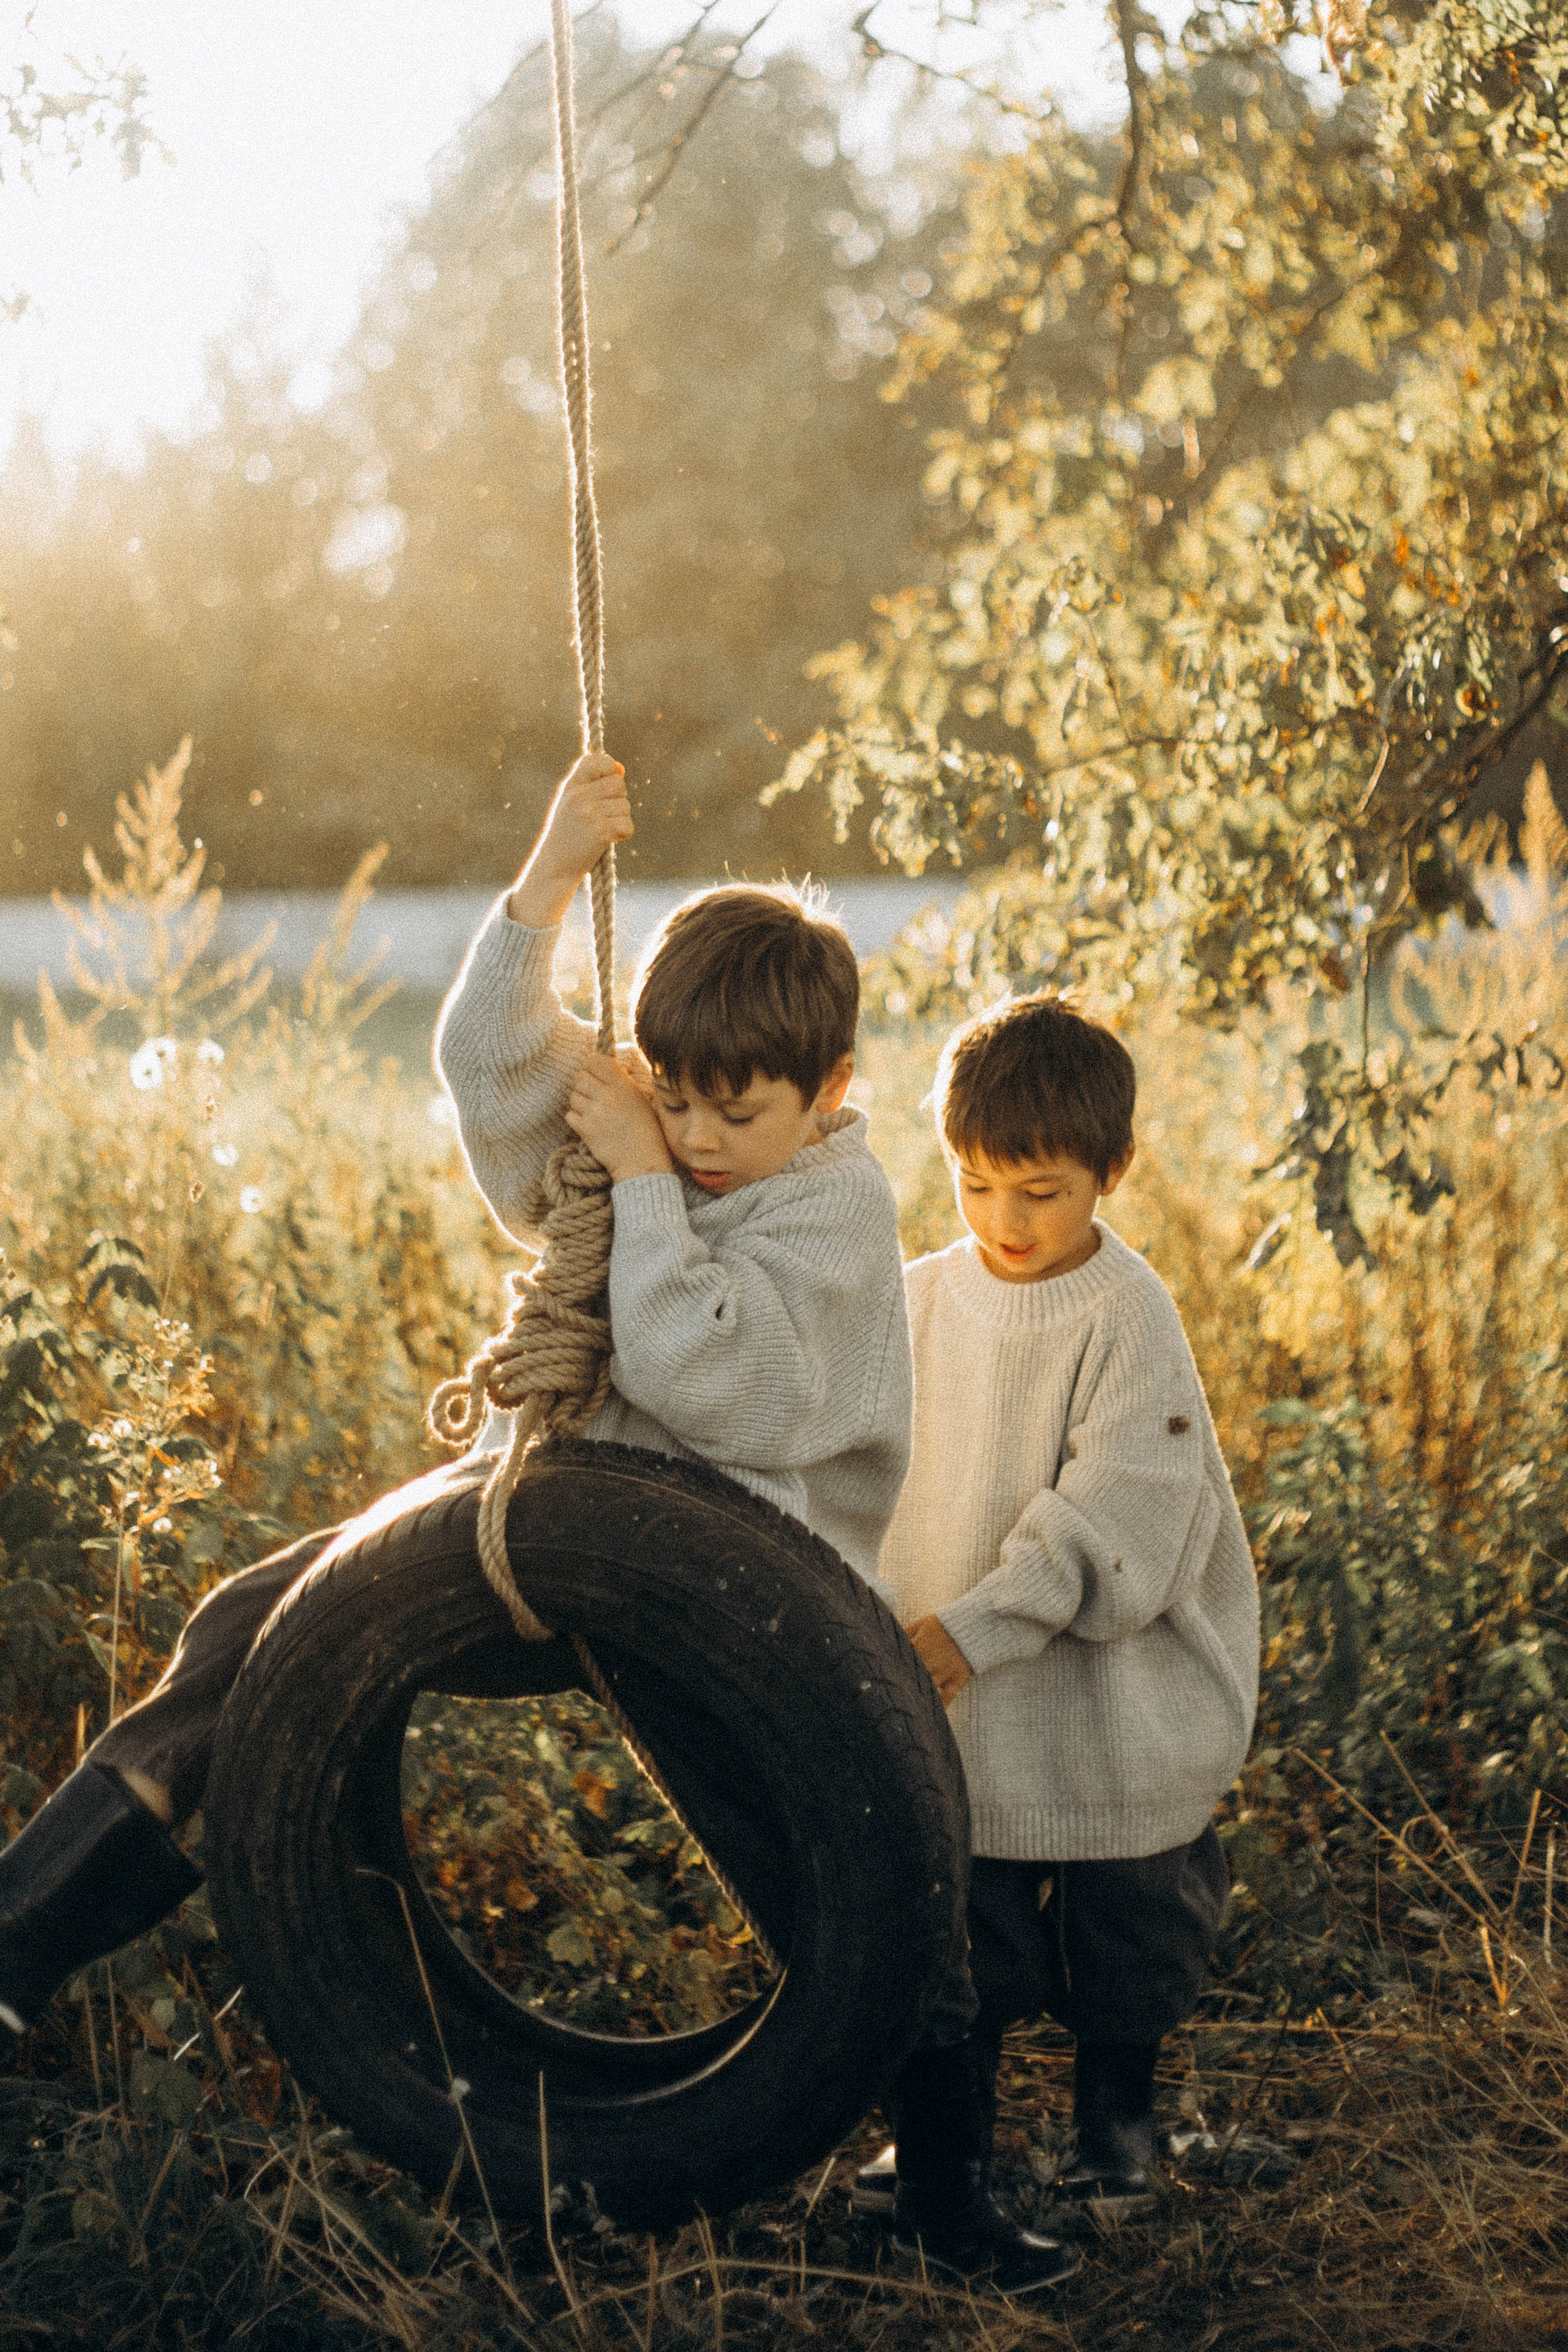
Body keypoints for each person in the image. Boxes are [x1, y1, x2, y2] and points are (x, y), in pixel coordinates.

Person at [0, 753, 925, 2079]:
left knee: (805, 1855)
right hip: (540, 1534)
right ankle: (24, 1937)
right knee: (247, 1631)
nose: (700, 1132)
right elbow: (488, 1073)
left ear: (829, 1087)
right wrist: (550, 872)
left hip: (733, 1586)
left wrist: (645, 1175)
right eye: (674, 1095)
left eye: (739, 1111)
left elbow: (715, 1385)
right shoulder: (640, 1125)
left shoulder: (831, 1208)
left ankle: (938, 2154)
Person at [854, 993, 1259, 2253]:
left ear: (1109, 1172)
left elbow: (1109, 1522)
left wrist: (970, 1630)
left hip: (1109, 1696)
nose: (1002, 1222)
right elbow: (856, 1459)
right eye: (973, 1186)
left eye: (1037, 1190)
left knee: (1126, 1925)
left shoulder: (1125, 1317)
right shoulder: (918, 1301)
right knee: (957, 1925)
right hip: (969, 1701)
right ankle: (944, 2149)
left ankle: (1113, 2136)